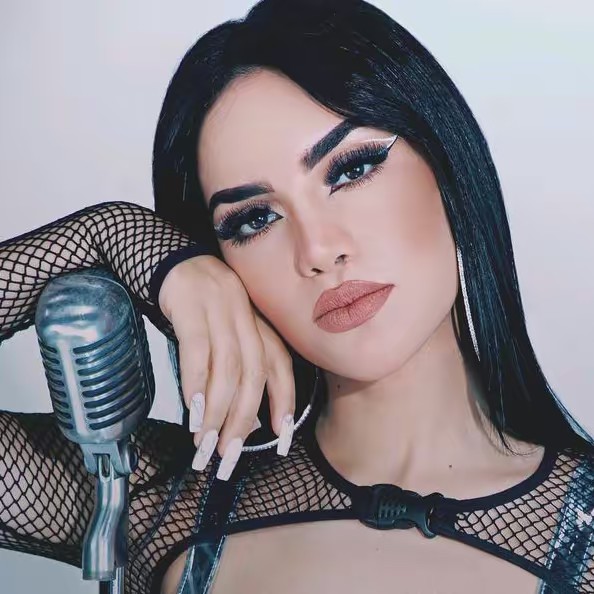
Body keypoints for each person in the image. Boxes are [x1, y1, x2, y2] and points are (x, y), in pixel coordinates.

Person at [1, 1, 593, 593]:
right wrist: (117, 234)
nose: (318, 249)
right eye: (255, 219)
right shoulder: (152, 497)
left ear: (445, 161)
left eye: (351, 170)